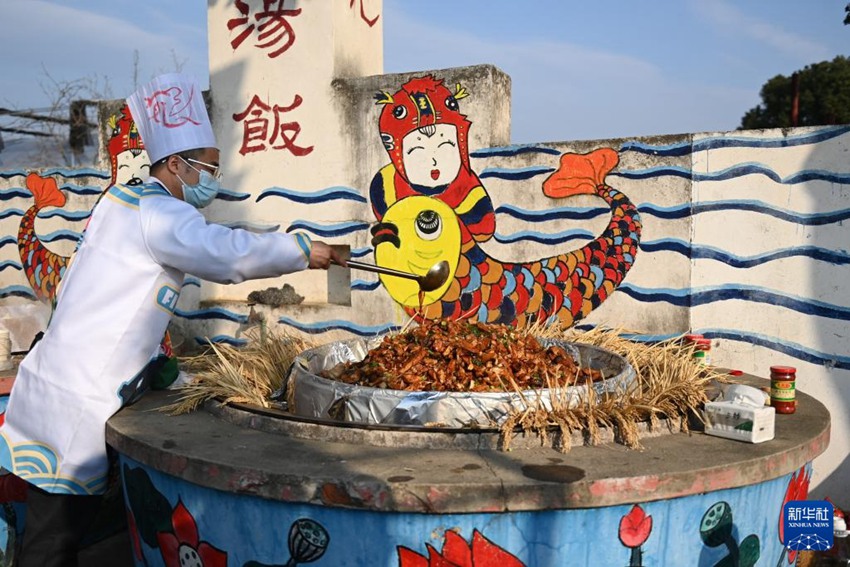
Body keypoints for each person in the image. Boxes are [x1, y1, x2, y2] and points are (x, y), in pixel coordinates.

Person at [0, 73, 343, 567]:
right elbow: (225, 255)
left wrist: (147, 369)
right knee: (54, 543)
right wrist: (302, 250)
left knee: (67, 535)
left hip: (57, 384)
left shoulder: (120, 203)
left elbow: (111, 304)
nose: (214, 180)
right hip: (74, 403)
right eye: (209, 168)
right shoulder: (162, 215)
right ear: (177, 165)